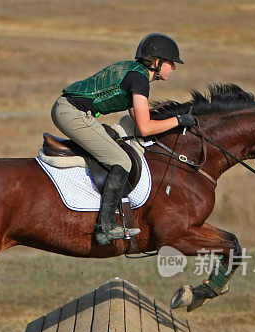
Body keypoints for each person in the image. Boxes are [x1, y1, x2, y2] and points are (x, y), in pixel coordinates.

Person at [51, 33, 195, 245]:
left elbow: (137, 118)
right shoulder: (139, 79)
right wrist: (178, 120)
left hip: (71, 110)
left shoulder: (134, 73)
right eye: (171, 62)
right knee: (121, 160)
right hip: (72, 113)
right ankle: (105, 226)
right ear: (156, 62)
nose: (173, 67)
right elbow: (145, 128)